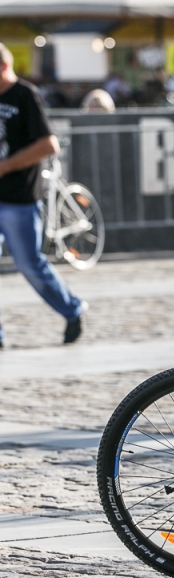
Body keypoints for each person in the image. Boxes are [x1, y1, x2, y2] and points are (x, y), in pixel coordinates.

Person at [0, 43, 86, 349]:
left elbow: (49, 144)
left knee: (29, 263)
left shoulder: (25, 95)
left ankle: (72, 309)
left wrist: (7, 165)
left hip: (18, 196)